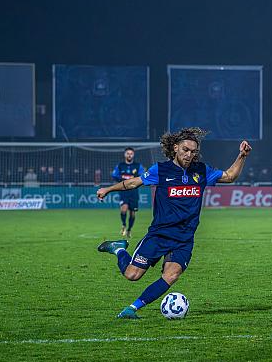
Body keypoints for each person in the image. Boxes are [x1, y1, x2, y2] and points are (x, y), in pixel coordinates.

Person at [96, 127, 251, 319]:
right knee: (132, 275)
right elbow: (133, 183)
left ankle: (132, 308)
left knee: (171, 275)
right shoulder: (161, 170)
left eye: (193, 152)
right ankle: (118, 249)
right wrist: (108, 189)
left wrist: (242, 155)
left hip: (184, 238)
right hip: (160, 234)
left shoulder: (201, 171)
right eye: (185, 150)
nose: (189, 155)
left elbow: (229, 176)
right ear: (175, 148)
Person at [111, 147, 146, 238]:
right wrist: (121, 182)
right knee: (124, 208)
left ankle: (129, 229)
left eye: (131, 153)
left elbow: (143, 176)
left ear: (133, 155)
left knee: (132, 213)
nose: (129, 155)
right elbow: (114, 175)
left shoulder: (138, 166)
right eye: (128, 153)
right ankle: (123, 225)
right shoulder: (120, 165)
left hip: (134, 192)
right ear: (125, 155)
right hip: (124, 191)